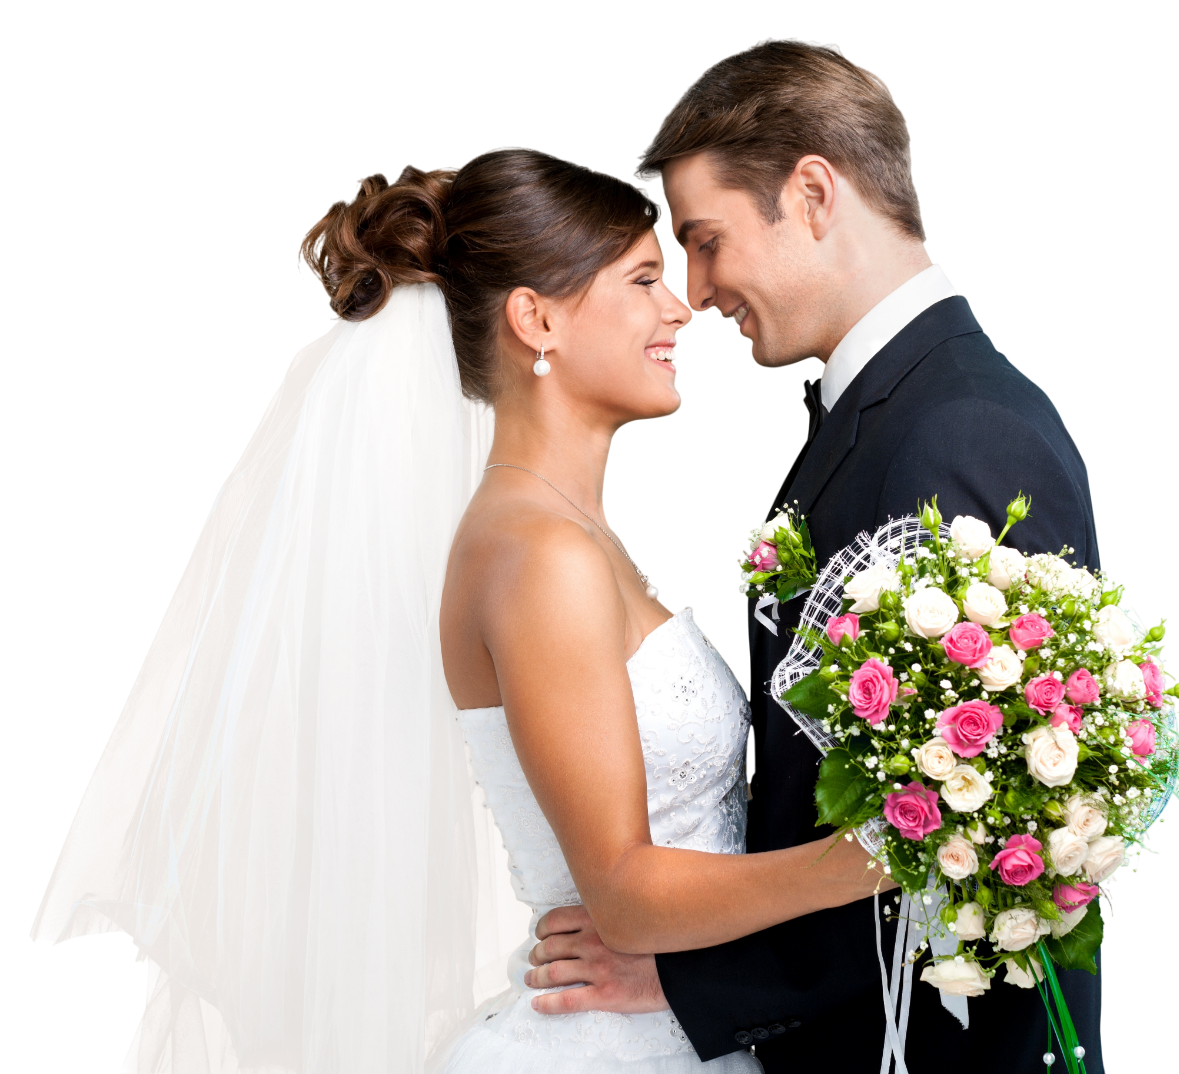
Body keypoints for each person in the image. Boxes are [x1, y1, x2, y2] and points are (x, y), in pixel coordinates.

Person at [31, 145, 892, 1074]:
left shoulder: (565, 532)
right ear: (536, 319)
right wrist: (880, 855)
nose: (679, 306)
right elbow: (626, 894)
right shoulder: (538, 555)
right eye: (644, 278)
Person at [528, 39, 1105, 1072]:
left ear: (808, 193)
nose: (695, 291)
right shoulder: (896, 410)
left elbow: (973, 841)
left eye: (704, 241)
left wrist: (694, 979)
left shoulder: (954, 429)